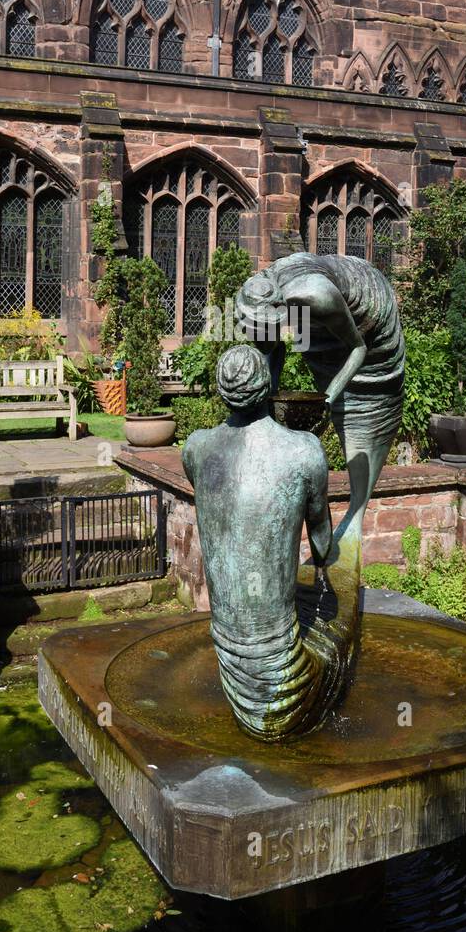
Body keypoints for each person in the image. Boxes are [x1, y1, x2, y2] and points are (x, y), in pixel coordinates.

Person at [182, 343, 345, 741]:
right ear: (268, 387)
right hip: (283, 669)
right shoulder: (304, 451)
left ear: (223, 392)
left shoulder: (196, 449)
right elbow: (323, 548)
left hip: (228, 648)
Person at [234, 252, 405, 539]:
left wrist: (326, 400)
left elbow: (358, 349)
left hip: (367, 320)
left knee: (362, 414)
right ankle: (337, 541)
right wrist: (267, 400)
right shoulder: (256, 293)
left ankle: (355, 518)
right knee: (329, 381)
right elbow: (272, 347)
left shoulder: (316, 295)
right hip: (315, 324)